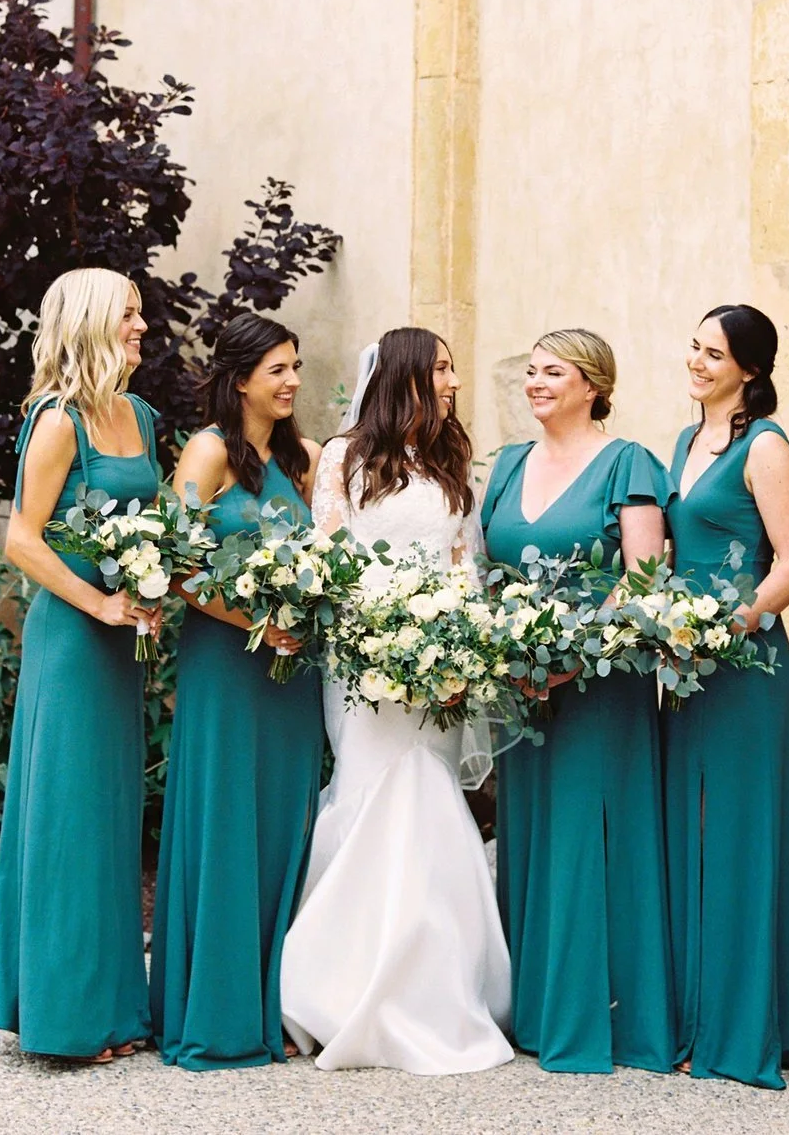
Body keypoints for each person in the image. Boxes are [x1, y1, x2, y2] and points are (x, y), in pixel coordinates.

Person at [280, 327, 513, 1073]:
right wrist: (383, 634)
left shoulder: (451, 465)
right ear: (406, 375)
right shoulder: (344, 457)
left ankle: (438, 990)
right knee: (369, 798)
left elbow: (461, 566)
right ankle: (333, 990)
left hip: (438, 667)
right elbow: (329, 561)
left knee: (431, 801)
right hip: (365, 668)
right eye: (442, 367)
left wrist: (457, 641)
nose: (453, 380)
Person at [480, 329, 674, 1074]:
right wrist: (502, 648)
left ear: (592, 385)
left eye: (551, 372)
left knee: (592, 835)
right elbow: (486, 573)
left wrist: (570, 659)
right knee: (534, 833)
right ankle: (535, 1009)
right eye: (529, 371)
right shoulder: (507, 465)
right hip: (521, 688)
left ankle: (598, 1015)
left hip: (600, 687)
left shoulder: (628, 463)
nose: (535, 383)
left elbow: (644, 578)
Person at [0, 269, 161, 1062]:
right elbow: (23, 538)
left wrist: (157, 583)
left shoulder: (142, 417)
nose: (142, 328)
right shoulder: (59, 420)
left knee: (112, 816)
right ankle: (62, 1017)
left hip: (126, 637)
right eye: (129, 315)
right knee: (68, 817)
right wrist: (98, 606)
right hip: (74, 637)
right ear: (92, 320)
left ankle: (115, 1012)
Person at [149, 312, 326, 1070]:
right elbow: (174, 563)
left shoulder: (303, 458)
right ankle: (215, 1014)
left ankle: (273, 1006)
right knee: (225, 816)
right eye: (278, 369)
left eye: (296, 367)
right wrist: (256, 620)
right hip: (227, 661)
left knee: (283, 819)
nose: (291, 382)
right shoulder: (208, 449)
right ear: (241, 376)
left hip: (290, 674)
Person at [663, 304, 789, 1090]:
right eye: (694, 347)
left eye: (714, 353)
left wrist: (732, 623)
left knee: (735, 835)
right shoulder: (685, 443)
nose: (697, 362)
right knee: (687, 838)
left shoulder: (765, 447)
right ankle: (694, 1015)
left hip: (742, 666)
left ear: (750, 370)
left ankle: (738, 1028)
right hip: (679, 667)